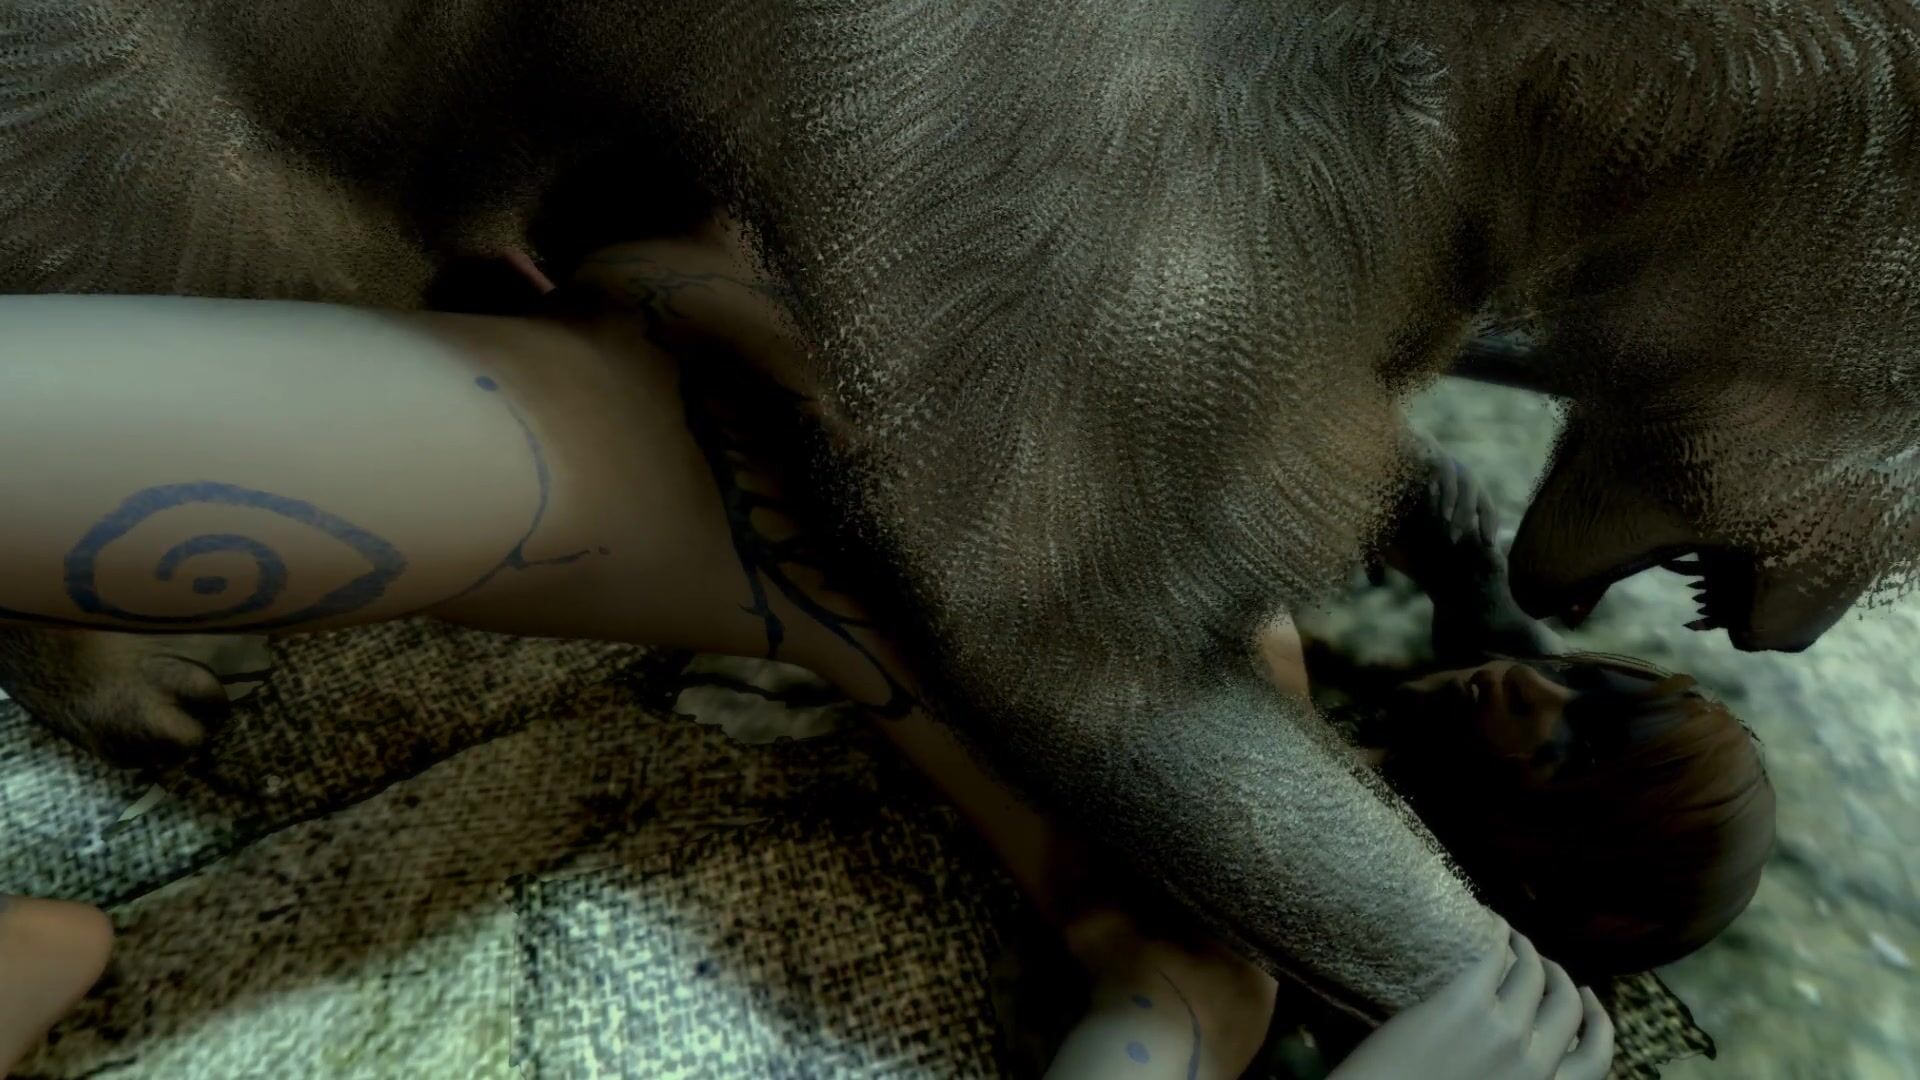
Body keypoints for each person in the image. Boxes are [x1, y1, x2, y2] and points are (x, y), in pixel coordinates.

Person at [0, 223, 1665, 1079]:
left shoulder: (1217, 895)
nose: (1534, 692)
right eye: (1598, 687)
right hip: (657, 322)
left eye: (1573, 740)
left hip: (611, 441)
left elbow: (1179, 1000)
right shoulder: (1272, 623)